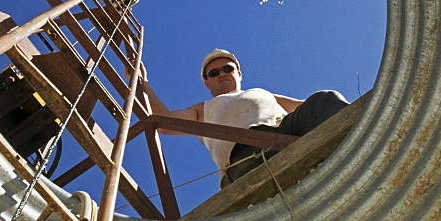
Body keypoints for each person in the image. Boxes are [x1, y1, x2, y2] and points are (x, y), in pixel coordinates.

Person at [137, 49, 350, 186]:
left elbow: (306, 107)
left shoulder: (262, 93)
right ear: (207, 83)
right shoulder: (202, 109)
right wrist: (142, 82)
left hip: (284, 131)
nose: (221, 74)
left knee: (325, 99)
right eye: (213, 73)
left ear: (239, 74)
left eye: (227, 69)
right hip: (242, 157)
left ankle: (364, 140)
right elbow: (163, 121)